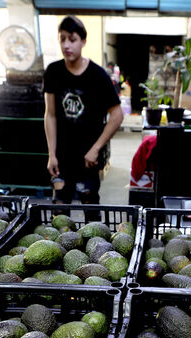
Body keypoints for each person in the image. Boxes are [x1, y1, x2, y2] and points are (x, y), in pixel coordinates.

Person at [43, 16, 122, 204]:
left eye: (72, 39)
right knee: (59, 212)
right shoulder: (53, 72)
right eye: (62, 39)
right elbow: (50, 114)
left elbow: (117, 114)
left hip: (89, 159)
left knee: (91, 213)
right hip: (61, 158)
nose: (66, 45)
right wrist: (51, 154)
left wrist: (96, 148)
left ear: (83, 41)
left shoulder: (98, 75)